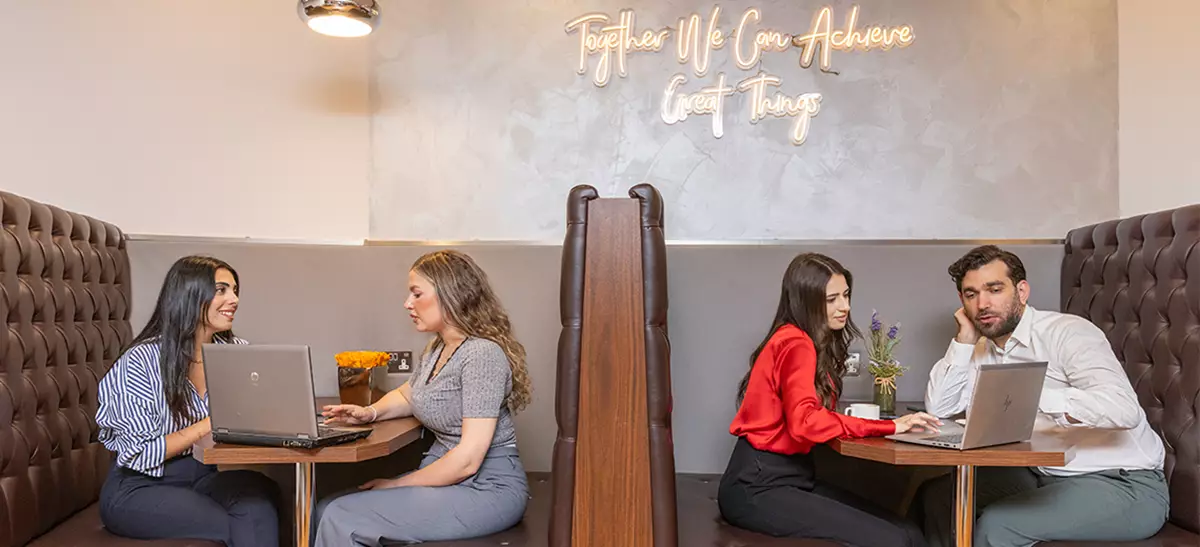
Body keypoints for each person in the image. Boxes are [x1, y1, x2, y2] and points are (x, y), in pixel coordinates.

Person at [914, 245, 1169, 547]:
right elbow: (940, 408)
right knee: (938, 499)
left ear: (1021, 291)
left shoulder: (1069, 333)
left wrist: (1031, 394)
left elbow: (1124, 410)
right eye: (971, 294)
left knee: (997, 526)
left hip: (1123, 482)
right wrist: (964, 340)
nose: (982, 303)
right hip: (1041, 475)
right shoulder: (983, 347)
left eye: (994, 289)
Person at [717, 252, 939, 547]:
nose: (844, 307)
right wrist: (891, 427)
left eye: (846, 295)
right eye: (831, 299)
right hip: (758, 487)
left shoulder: (797, 339)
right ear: (806, 301)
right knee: (897, 538)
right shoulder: (796, 343)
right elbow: (804, 423)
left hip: (789, 477)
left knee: (908, 532)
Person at [314, 249, 531, 546]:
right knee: (325, 508)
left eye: (417, 294)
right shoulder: (438, 348)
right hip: (447, 477)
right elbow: (410, 394)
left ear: (450, 294)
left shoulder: (481, 355)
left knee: (341, 516)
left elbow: (468, 460)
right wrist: (370, 413)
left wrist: (396, 485)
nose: (407, 304)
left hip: (486, 487)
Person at [96, 255, 280, 546]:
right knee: (237, 525)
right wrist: (209, 423)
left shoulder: (236, 352)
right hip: (138, 487)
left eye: (235, 290)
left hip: (203, 475)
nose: (234, 299)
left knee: (260, 507)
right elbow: (138, 453)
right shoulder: (140, 362)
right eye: (221, 290)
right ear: (189, 294)